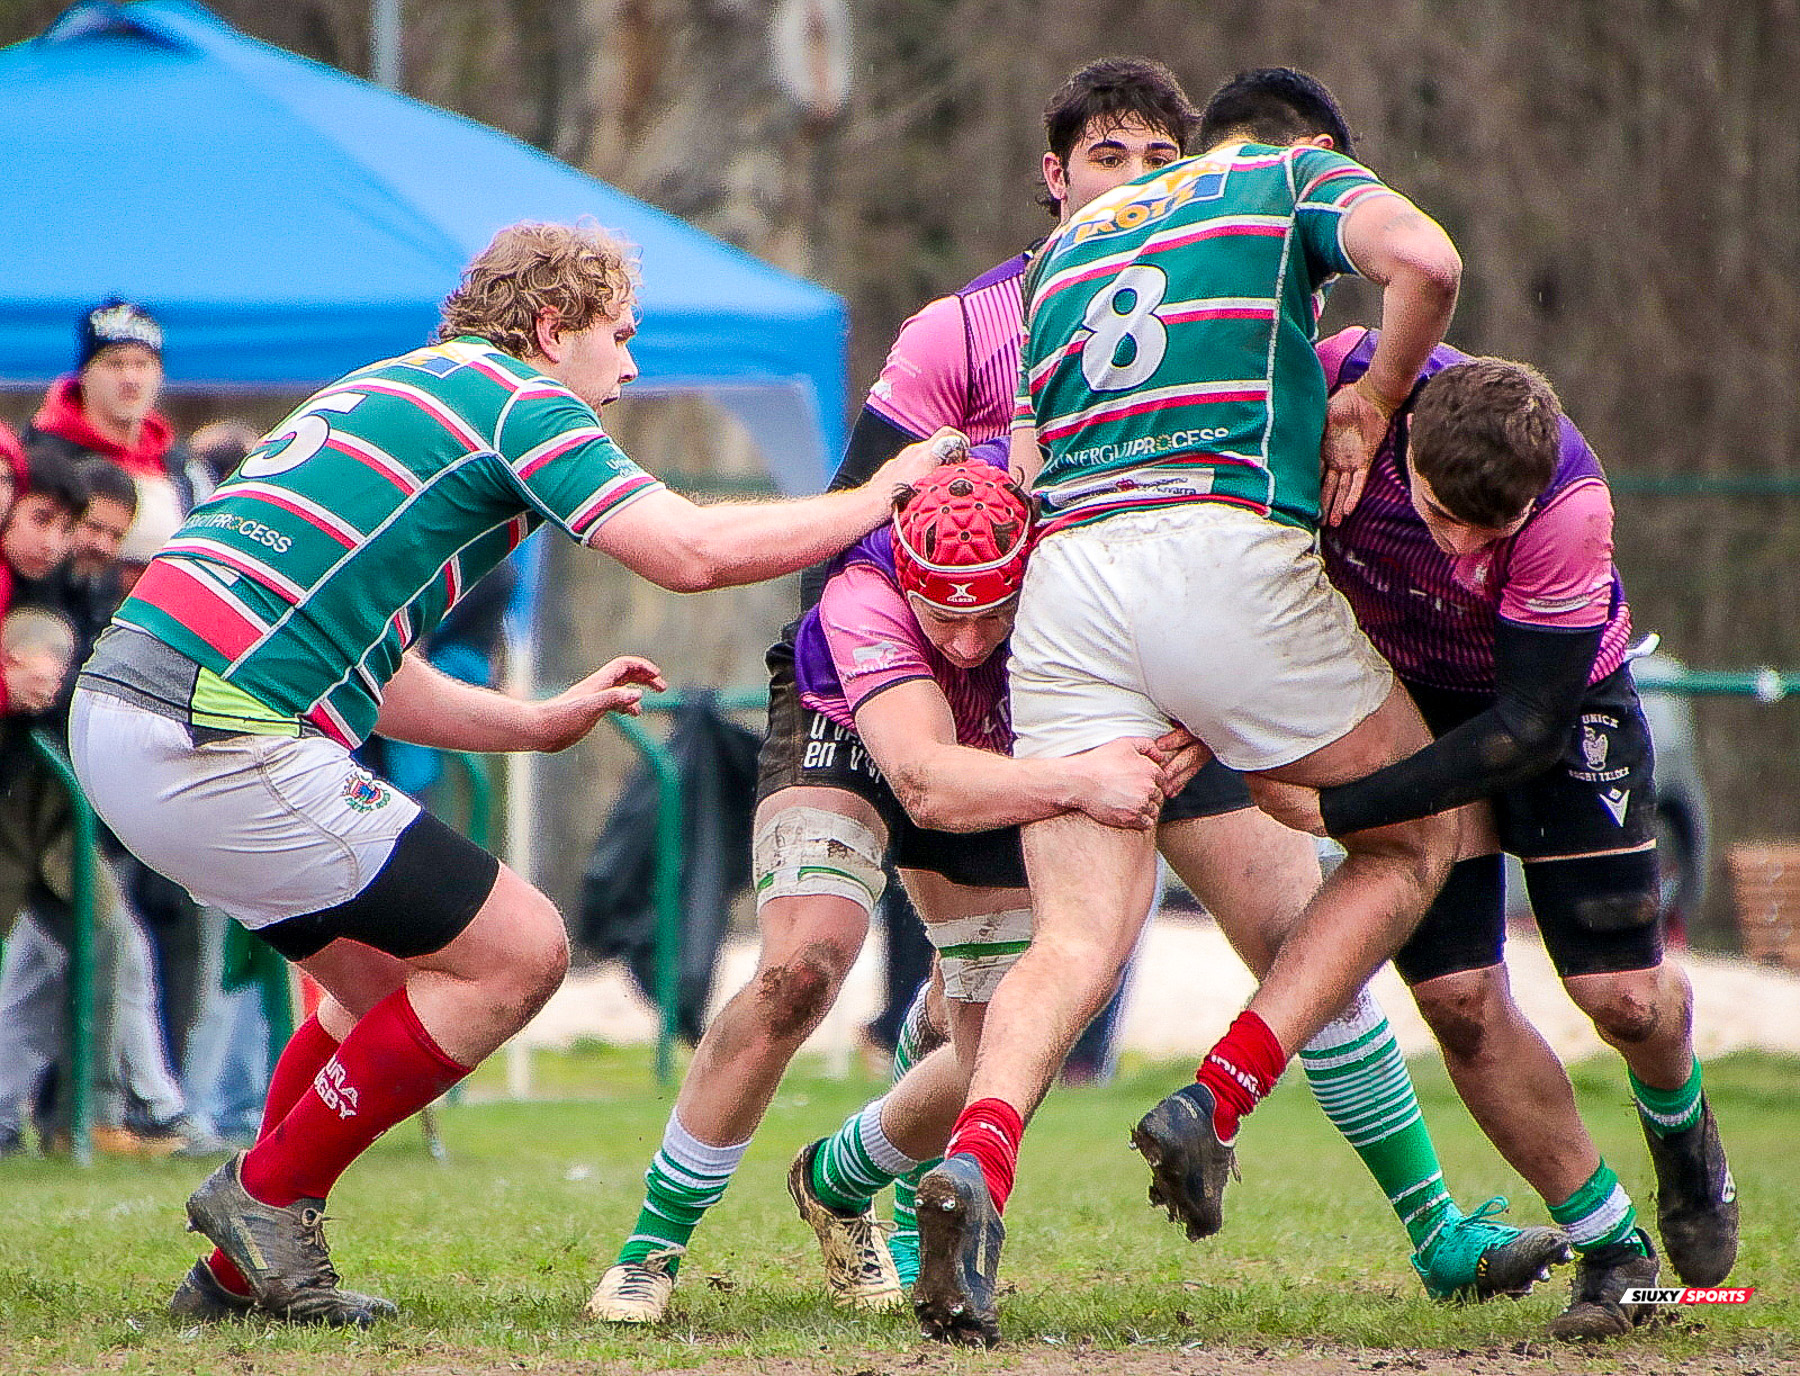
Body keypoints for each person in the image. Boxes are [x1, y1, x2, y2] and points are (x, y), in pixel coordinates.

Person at [68, 220, 956, 1328]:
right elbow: (690, 554)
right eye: (621, 335)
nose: (630, 368)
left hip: (132, 711)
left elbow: (372, 672)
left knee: (385, 997)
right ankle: (264, 1194)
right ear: (551, 325)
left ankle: (243, 1274)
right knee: (521, 951)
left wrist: (535, 724)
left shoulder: (402, 386)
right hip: (208, 728)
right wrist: (890, 493)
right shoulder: (515, 401)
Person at [813, 57, 1562, 1318]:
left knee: (1080, 941)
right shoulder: (1283, 179)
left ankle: (975, 1167)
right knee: (1407, 840)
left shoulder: (1069, 251)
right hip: (1221, 566)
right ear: (1301, 148)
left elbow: (1039, 461)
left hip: (1073, 592)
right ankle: (1215, 1101)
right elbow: (1426, 264)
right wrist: (1376, 397)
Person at [585, 450, 1190, 1323]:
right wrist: (1084, 779)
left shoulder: (1072, 569)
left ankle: (838, 1177)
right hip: (852, 731)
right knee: (801, 972)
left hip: (991, 747)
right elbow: (925, 781)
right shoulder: (863, 597)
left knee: (1003, 1055)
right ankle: (650, 1250)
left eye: (992, 615)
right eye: (947, 616)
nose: (971, 640)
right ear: (909, 578)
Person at [1249, 339, 1737, 1339]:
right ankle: (1612, 1250)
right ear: (1404, 436)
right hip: (1411, 696)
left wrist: (1342, 812)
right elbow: (1281, 329)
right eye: (1440, 515)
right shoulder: (1352, 383)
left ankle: (1684, 1129)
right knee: (1460, 1001)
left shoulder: (1571, 506)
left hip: (1554, 702)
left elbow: (1524, 726)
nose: (1466, 548)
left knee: (1623, 997)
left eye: (1492, 528)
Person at [24, 299, 199, 565]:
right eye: (115, 364)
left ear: (160, 374)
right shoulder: (39, 454)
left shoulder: (181, 465)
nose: (130, 378)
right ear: (84, 373)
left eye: (142, 364)